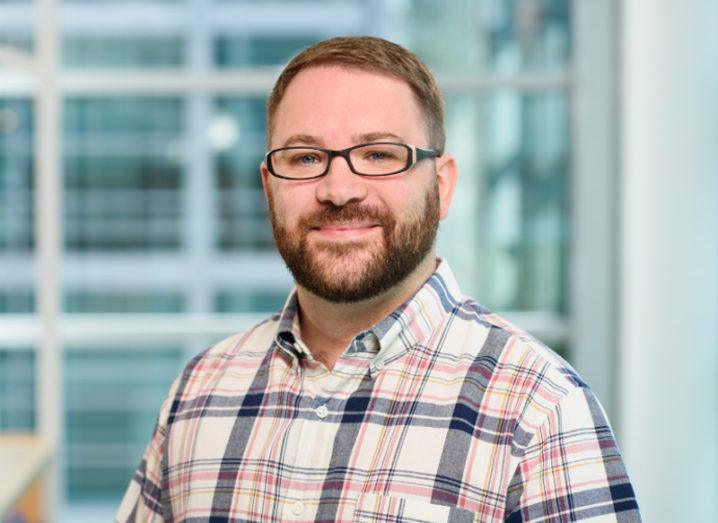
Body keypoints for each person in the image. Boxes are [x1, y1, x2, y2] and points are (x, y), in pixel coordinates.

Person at [116, 36, 640, 522]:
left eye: (379, 155)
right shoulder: (200, 391)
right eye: (305, 158)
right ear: (268, 187)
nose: (339, 188)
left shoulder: (538, 409)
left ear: (442, 186)